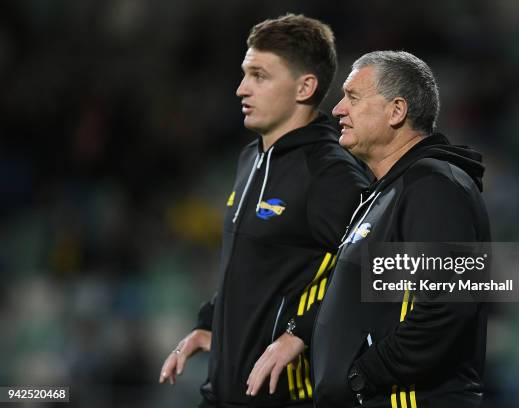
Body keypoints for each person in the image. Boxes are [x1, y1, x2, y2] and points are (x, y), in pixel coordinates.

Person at [247, 51, 490, 408]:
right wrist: (301, 331)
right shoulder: (386, 193)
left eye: (353, 97)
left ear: (396, 111)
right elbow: (367, 292)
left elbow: (447, 306)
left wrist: (362, 376)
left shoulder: (434, 187)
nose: (338, 110)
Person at [158, 14, 369, 408]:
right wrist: (210, 324)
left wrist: (301, 331)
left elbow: (375, 269)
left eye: (259, 75)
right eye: (244, 74)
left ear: (305, 86)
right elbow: (254, 267)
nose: (240, 89)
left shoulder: (329, 172)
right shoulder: (250, 158)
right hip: (222, 394)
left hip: (286, 399)